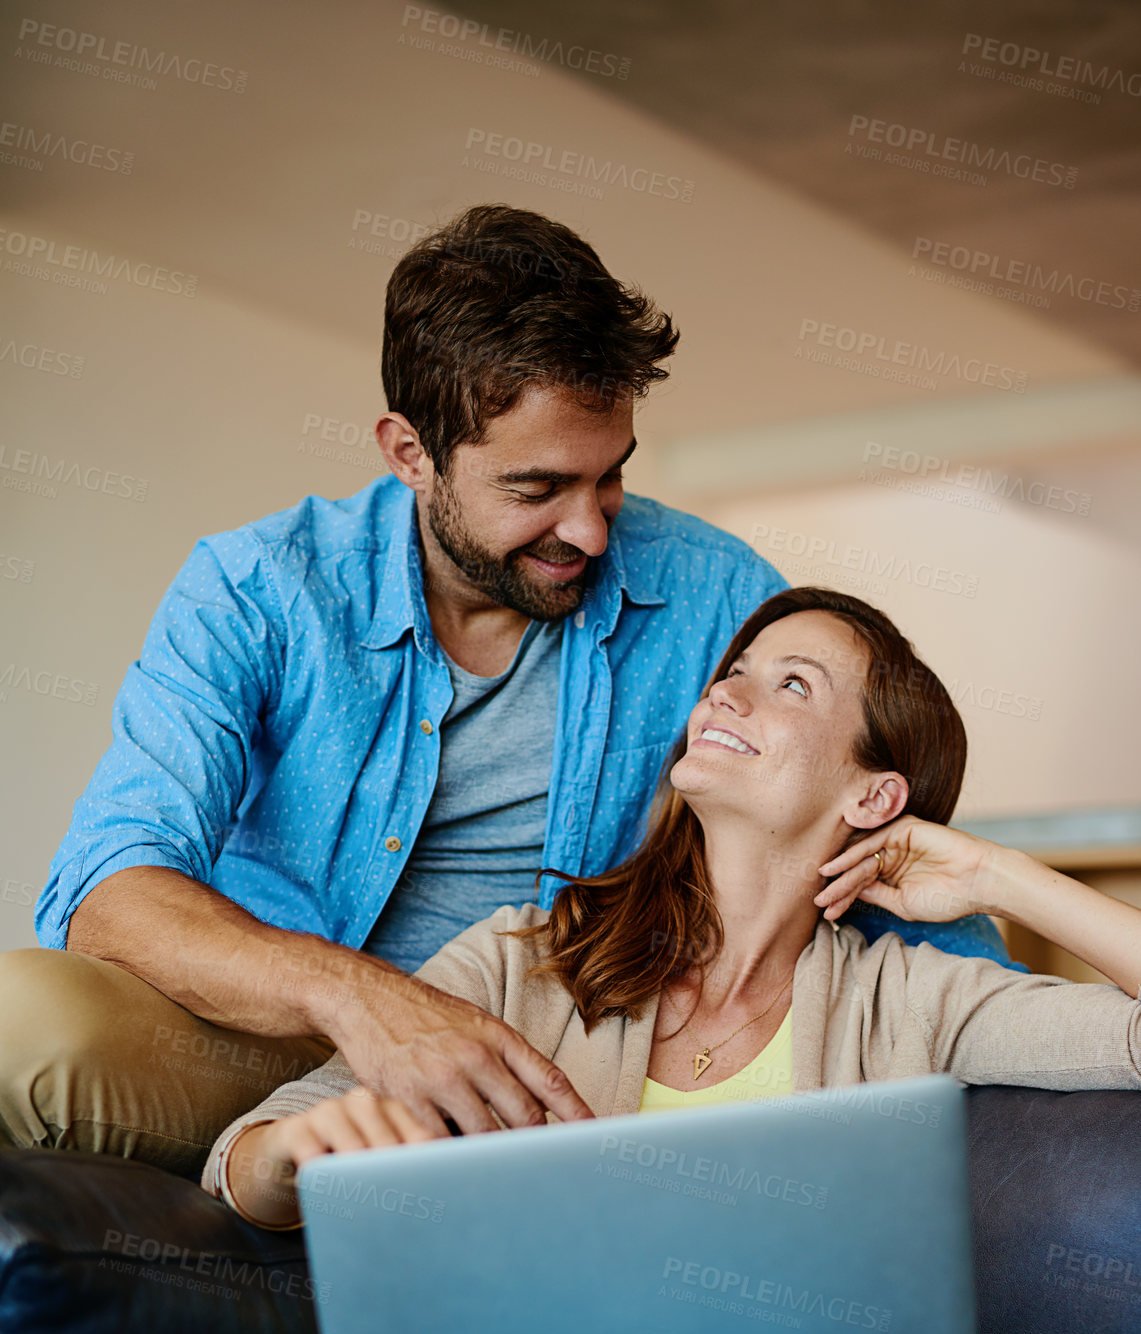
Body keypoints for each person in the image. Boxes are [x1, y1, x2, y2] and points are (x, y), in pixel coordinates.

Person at [200, 586, 1140, 1334]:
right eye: (734, 666)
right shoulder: (516, 964)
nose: (726, 688)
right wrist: (299, 1151)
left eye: (790, 682)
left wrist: (992, 877)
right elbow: (243, 1157)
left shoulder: (917, 996)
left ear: (873, 795)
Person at [0, 206, 1012, 1174]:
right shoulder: (258, 588)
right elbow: (107, 890)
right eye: (535, 491)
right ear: (410, 454)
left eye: (609, 476)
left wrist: (996, 1013)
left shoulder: (714, 596)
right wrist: (366, 1004)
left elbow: (851, 818)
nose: (591, 532)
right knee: (22, 1017)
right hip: (269, 1039)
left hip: (549, 1067)